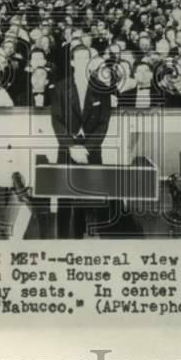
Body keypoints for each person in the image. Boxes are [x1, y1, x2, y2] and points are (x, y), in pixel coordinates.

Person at [50, 44, 113, 239]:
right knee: (65, 199)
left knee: (87, 200)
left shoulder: (102, 89)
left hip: (91, 152)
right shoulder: (60, 87)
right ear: (72, 62)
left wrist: (85, 148)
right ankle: (61, 241)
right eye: (79, 58)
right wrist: (71, 147)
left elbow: (103, 123)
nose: (83, 62)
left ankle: (83, 239)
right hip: (67, 151)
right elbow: (57, 121)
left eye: (87, 58)